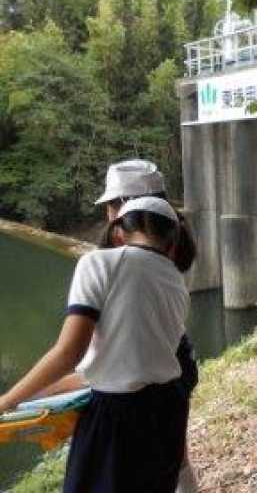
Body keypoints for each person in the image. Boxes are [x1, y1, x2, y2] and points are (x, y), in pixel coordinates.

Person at [0, 197, 192, 490]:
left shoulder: (99, 262)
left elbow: (69, 353)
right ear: (173, 242)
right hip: (168, 411)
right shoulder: (176, 282)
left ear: (117, 233)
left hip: (118, 421)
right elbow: (120, 366)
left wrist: (7, 401)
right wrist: (34, 394)